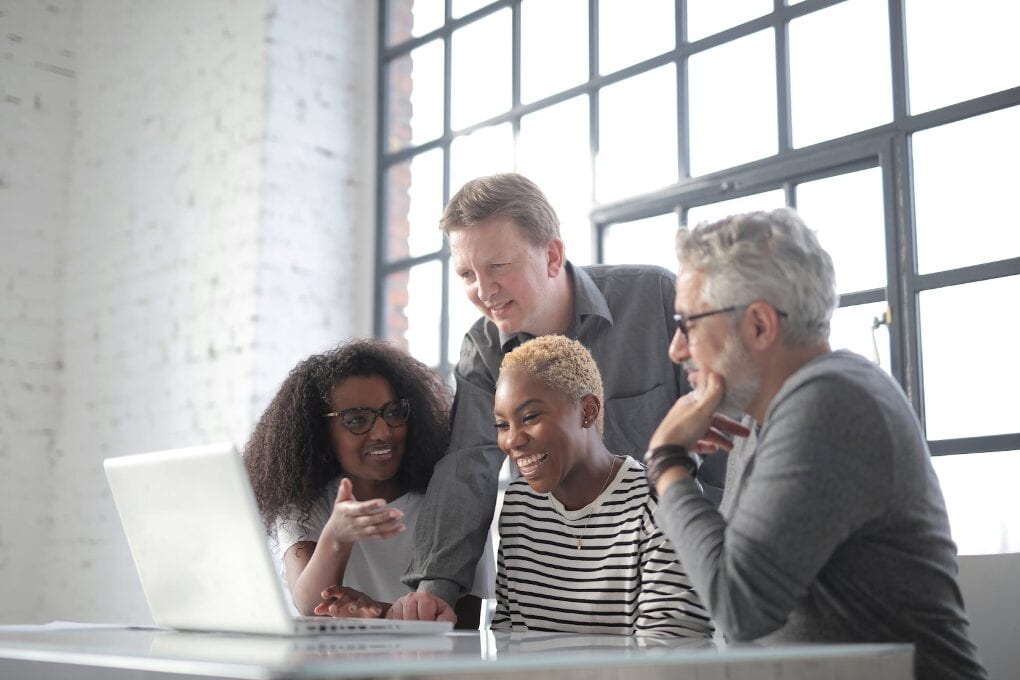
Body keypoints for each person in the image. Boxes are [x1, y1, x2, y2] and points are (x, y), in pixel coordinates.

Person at [644, 208, 988, 679]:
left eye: (688, 324)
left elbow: (738, 607)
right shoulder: (770, 414)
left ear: (760, 325)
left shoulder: (831, 401)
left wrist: (667, 463)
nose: (676, 350)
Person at [390, 173, 726, 622]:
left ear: (552, 255)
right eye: (467, 274)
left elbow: (724, 432)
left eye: (497, 267)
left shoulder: (656, 298)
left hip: (679, 573)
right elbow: (469, 465)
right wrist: (435, 589)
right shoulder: (484, 348)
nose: (483, 292)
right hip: (563, 582)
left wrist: (724, 557)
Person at [243, 339, 491, 628]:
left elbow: (469, 621)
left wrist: (377, 613)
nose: (383, 432)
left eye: (394, 413)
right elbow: (310, 606)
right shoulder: (305, 502)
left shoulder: (452, 497)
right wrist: (337, 536)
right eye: (357, 420)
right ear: (320, 432)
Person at [491, 335, 714, 637]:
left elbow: (672, 651)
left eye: (529, 417)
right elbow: (507, 637)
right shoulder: (520, 505)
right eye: (502, 425)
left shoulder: (657, 499)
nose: (512, 440)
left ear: (587, 411)